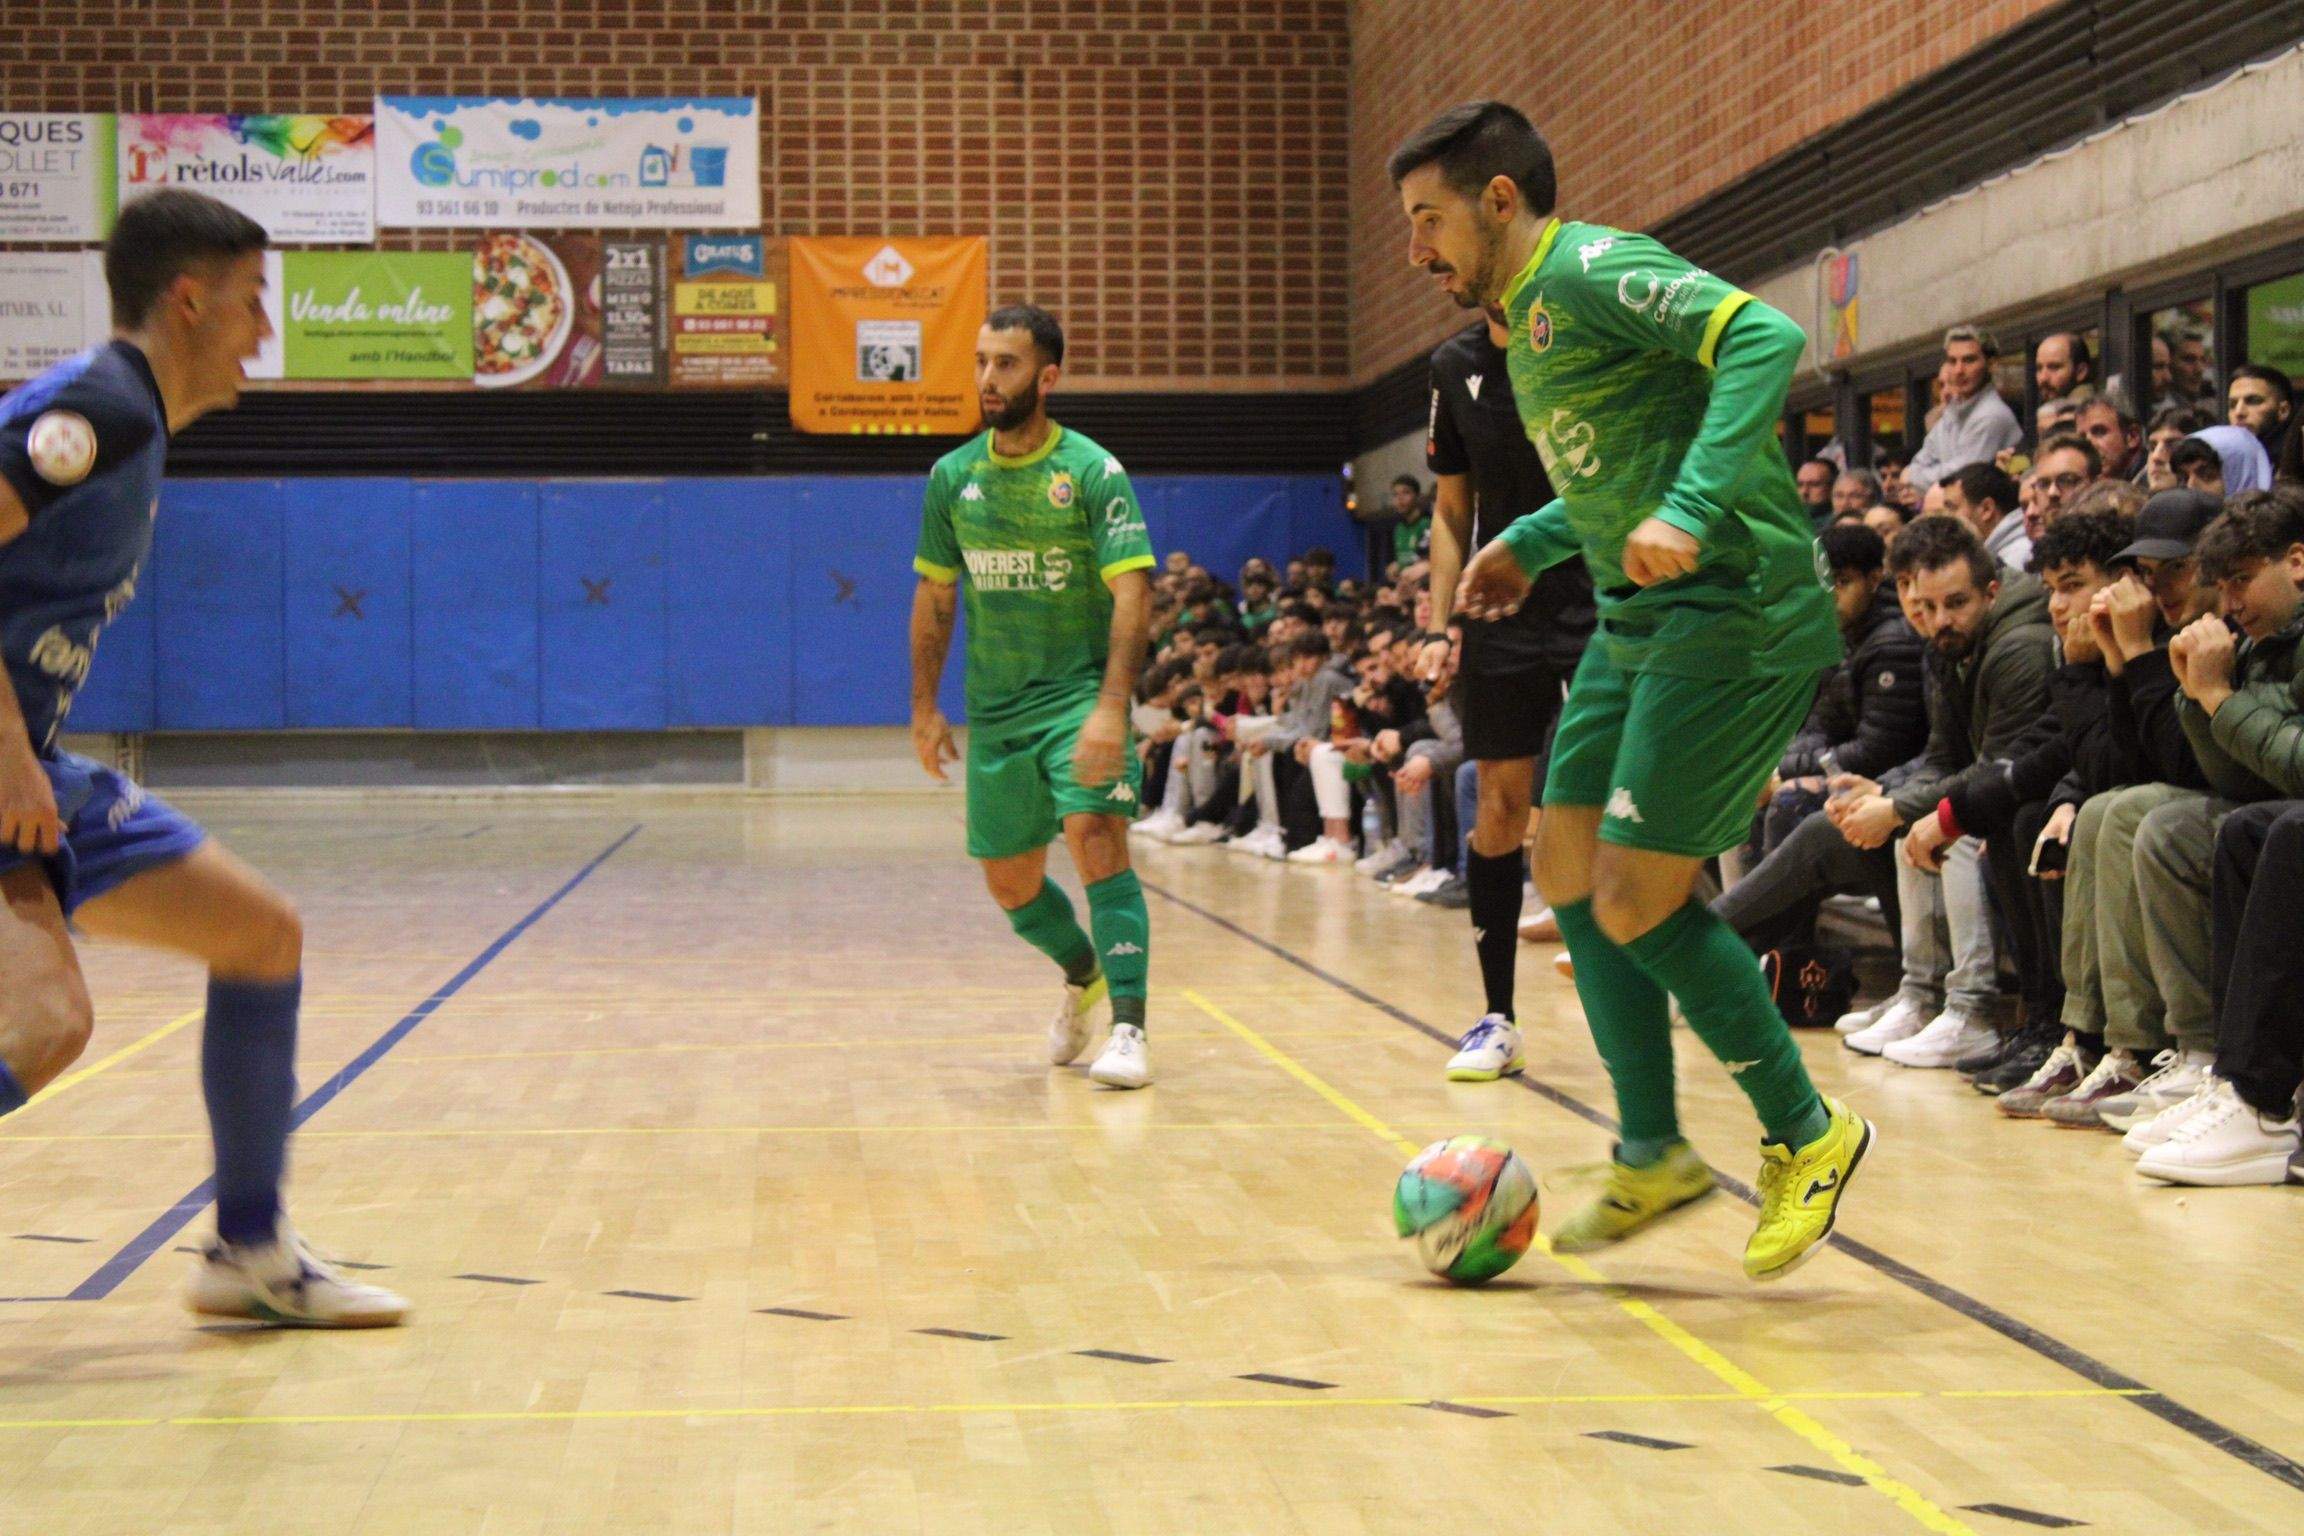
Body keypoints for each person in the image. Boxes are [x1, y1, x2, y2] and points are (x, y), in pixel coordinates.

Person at [1393, 100, 1869, 1282]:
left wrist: (1695, 510)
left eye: (1429, 220)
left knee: (1639, 897)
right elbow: (1632, 462)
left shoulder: (1596, 269)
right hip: (1632, 615)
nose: (1417, 252)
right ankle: (1651, 1150)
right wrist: (1537, 539)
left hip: (1735, 613)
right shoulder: (1526, 329)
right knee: (1562, 870)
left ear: (1500, 200)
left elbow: (1761, 336)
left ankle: (1809, 1134)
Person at [0, 190, 405, 1327]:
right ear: (190, 299)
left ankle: (247, 1249)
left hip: (30, 763)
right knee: (45, 1025)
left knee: (258, 932)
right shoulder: (94, 411)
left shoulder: (134, 423)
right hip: (4, 765)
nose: (261, 331)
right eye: (252, 301)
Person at [909, 304, 1156, 1090]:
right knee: (1010, 882)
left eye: (1006, 364)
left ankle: (1129, 1027)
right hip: (999, 710)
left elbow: (1133, 591)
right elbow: (936, 597)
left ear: (1046, 377)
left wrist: (1112, 706)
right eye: (981, 361)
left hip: (1080, 698)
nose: (988, 378)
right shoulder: (954, 478)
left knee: (1093, 834)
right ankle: (1081, 972)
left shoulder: (1090, 471)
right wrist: (923, 706)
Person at [1417, 309, 1596, 1079]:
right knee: (1499, 807)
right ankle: (1498, 1017)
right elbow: (1453, 508)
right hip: (1500, 605)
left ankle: (1635, 976)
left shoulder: (1589, 334)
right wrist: (1436, 624)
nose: (1429, 254)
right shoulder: (1452, 364)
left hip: (1601, 595)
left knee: (1603, 798)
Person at [1905, 325, 2024, 489]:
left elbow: (1962, 479)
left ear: (1991, 364)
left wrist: (1913, 477)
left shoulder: (1992, 414)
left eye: (1969, 360)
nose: (1959, 370)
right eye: (1952, 361)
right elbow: (1920, 462)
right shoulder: (1952, 411)